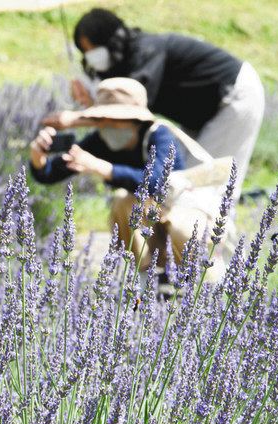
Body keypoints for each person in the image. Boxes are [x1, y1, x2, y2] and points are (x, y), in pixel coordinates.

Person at [44, 8, 264, 201]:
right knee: (186, 182)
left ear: (111, 41)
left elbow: (129, 113)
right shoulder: (129, 60)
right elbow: (123, 110)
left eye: (93, 50)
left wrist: (75, 119)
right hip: (202, 112)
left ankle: (221, 248)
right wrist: (92, 103)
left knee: (210, 188)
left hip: (232, 97)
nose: (92, 59)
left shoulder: (147, 50)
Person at [30, 77, 229, 280]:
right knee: (123, 202)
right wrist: (39, 159)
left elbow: (158, 182)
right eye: (101, 119)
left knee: (183, 229)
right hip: (149, 225)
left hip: (183, 214)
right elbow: (51, 173)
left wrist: (105, 168)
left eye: (113, 119)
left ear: (134, 119)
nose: (105, 125)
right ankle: (141, 277)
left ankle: (199, 281)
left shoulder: (159, 135)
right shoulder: (102, 141)